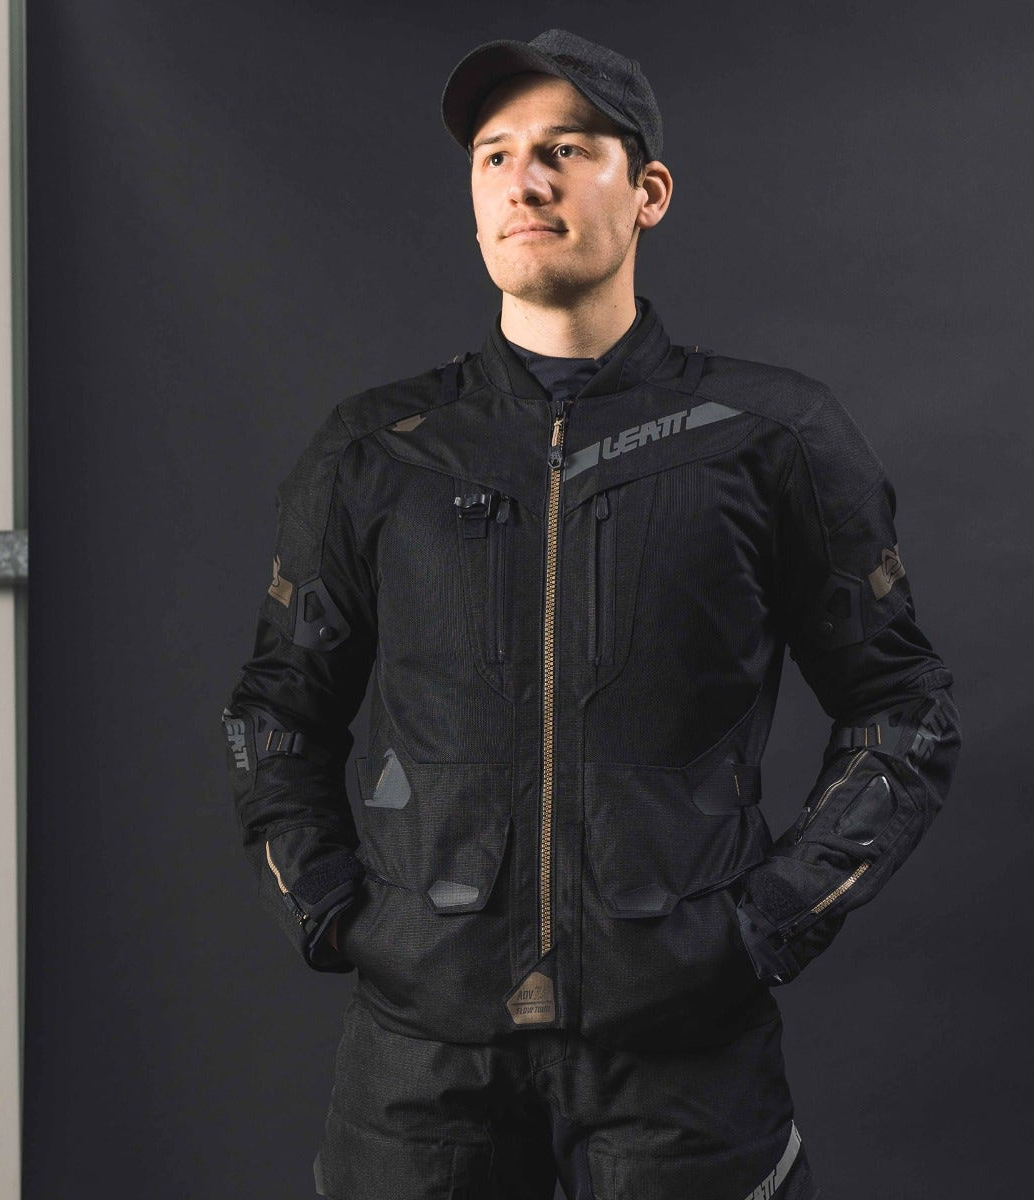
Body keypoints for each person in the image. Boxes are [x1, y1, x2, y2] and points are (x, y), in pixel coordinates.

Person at [221, 28, 961, 1200]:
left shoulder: (772, 435)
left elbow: (904, 709)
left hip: (684, 1061)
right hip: (422, 1062)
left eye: (566, 150)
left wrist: (769, 919)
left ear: (648, 191)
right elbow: (276, 710)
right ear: (474, 199)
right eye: (496, 156)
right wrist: (327, 908)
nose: (527, 180)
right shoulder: (377, 449)